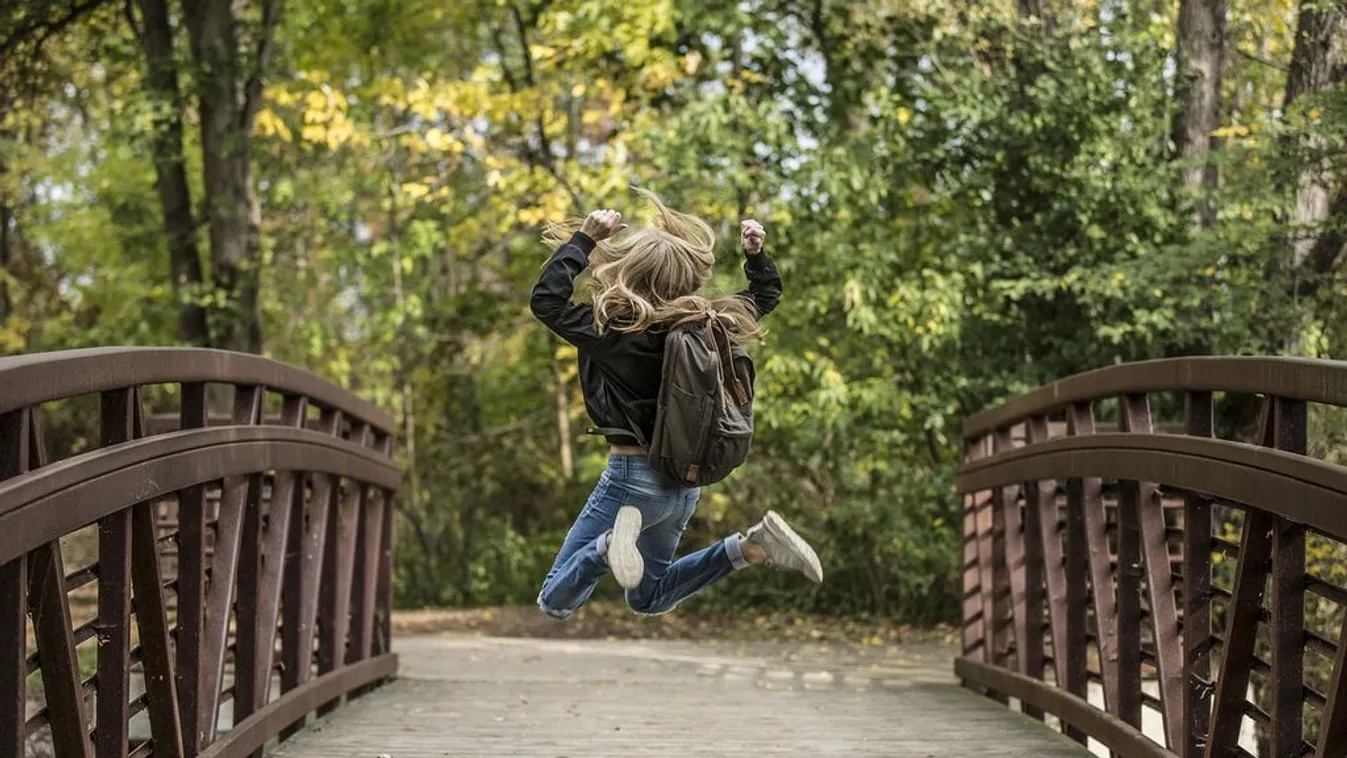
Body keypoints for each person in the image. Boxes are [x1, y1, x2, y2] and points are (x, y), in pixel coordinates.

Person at [529, 188, 823, 621]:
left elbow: (547, 302)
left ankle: (608, 547)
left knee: (555, 601)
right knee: (648, 598)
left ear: (630, 269)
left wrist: (585, 240)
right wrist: (756, 257)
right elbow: (765, 297)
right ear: (685, 277)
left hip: (631, 481)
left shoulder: (612, 330)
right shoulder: (709, 323)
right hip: (683, 486)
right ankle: (751, 547)